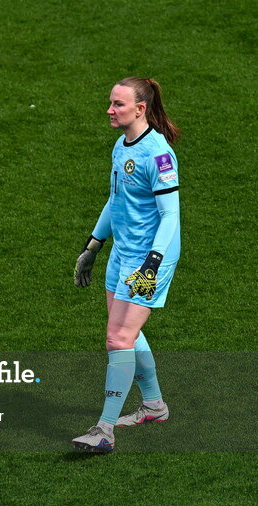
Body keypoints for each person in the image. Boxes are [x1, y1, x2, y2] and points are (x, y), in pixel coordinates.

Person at [71, 77, 181, 454]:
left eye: (117, 104)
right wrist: (94, 245)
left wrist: (151, 265)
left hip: (151, 258)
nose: (109, 110)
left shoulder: (159, 155)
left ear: (140, 109)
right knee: (126, 335)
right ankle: (153, 406)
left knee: (117, 338)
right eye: (110, 102)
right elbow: (115, 201)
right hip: (122, 254)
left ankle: (104, 430)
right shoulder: (121, 146)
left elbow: (170, 217)